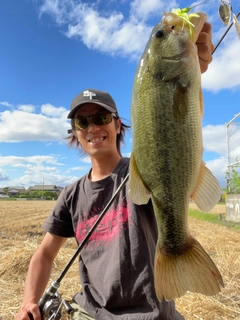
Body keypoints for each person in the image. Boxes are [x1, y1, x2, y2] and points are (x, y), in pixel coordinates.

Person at [15, 21, 214, 320]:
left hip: (152, 314)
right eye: (82, 123)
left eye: (101, 117)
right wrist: (28, 301)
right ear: (76, 134)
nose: (93, 127)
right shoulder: (71, 195)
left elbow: (172, 124)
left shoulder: (143, 170)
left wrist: (194, 64)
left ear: (117, 124)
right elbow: (44, 254)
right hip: (92, 313)